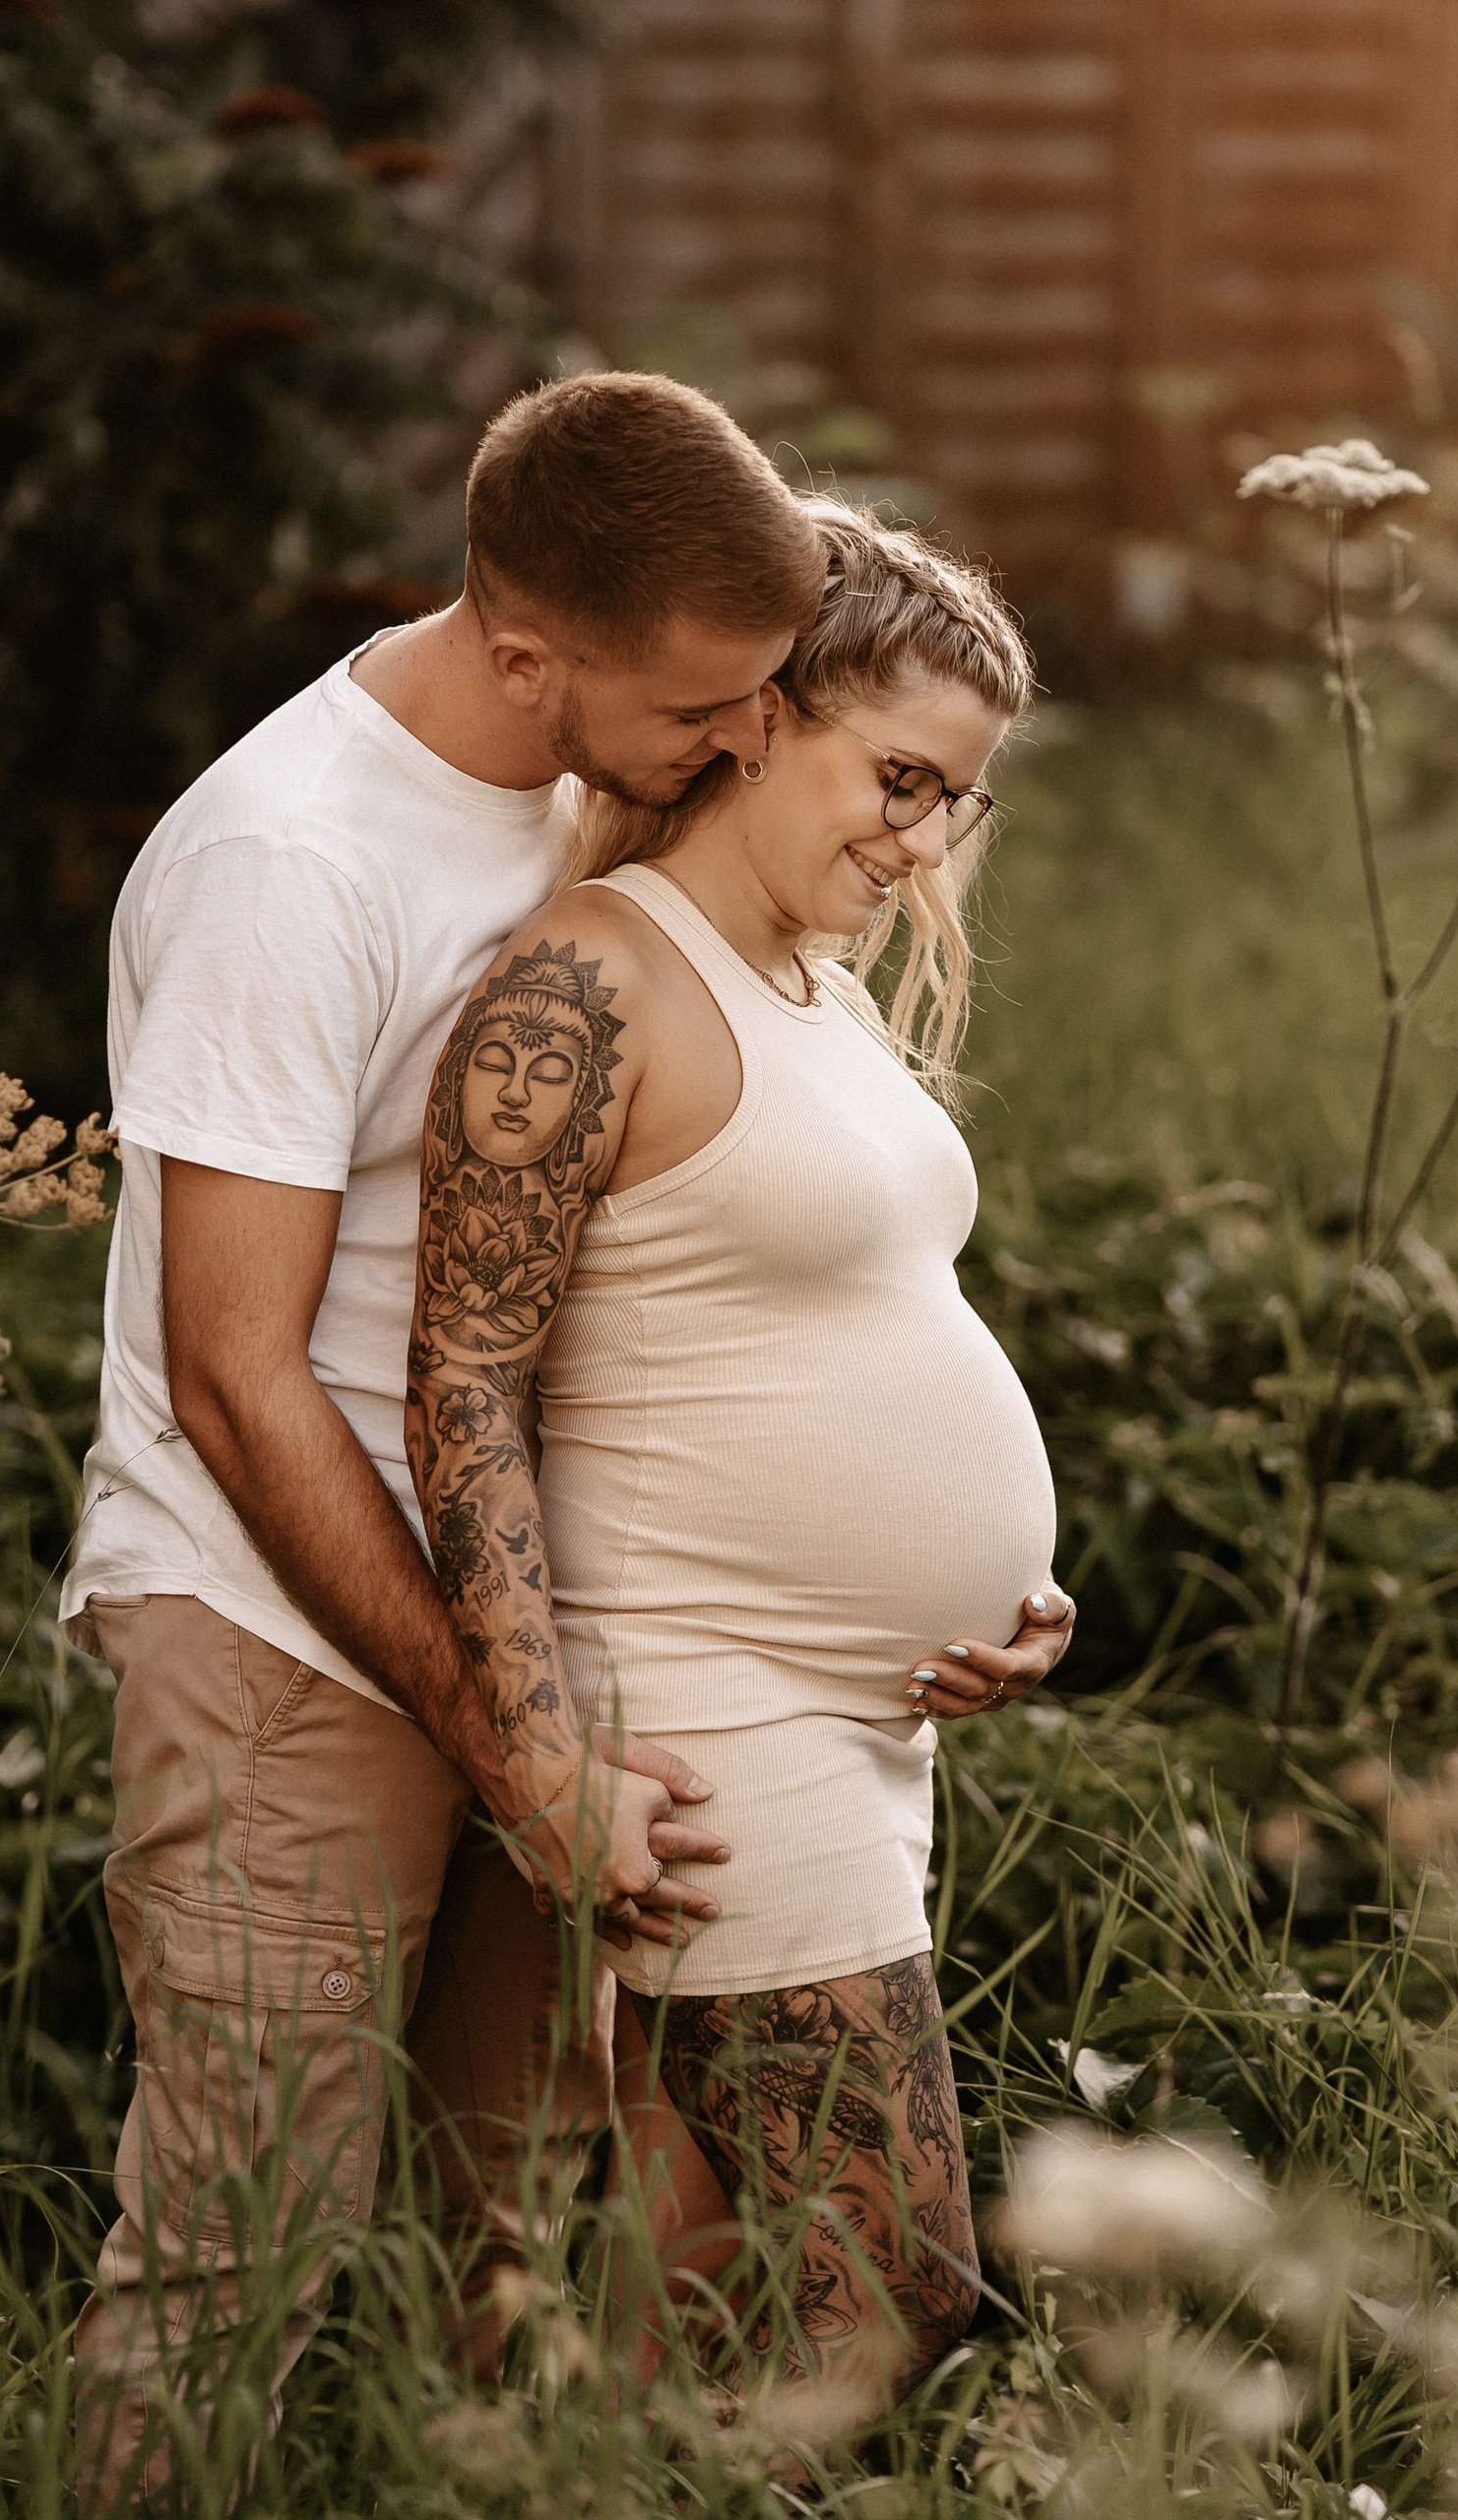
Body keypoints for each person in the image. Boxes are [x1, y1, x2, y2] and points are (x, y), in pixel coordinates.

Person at [63, 372, 831, 2512]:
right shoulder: (291, 863)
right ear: (522, 653)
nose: (745, 742)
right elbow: (236, 1375)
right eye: (703, 705)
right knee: (243, 2246)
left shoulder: (593, 783)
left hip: (524, 1615)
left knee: (484, 2236)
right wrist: (510, 1739)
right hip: (289, 1635)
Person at [406, 500, 1076, 2419]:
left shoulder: (817, 987)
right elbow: (463, 1383)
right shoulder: (590, 981)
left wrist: (1003, 1589)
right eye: (897, 778)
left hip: (866, 1728)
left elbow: (828, 1327)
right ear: (762, 714)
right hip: (716, 1723)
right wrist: (547, 1755)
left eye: (950, 799)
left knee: (709, 2296)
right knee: (890, 2286)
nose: (921, 839)